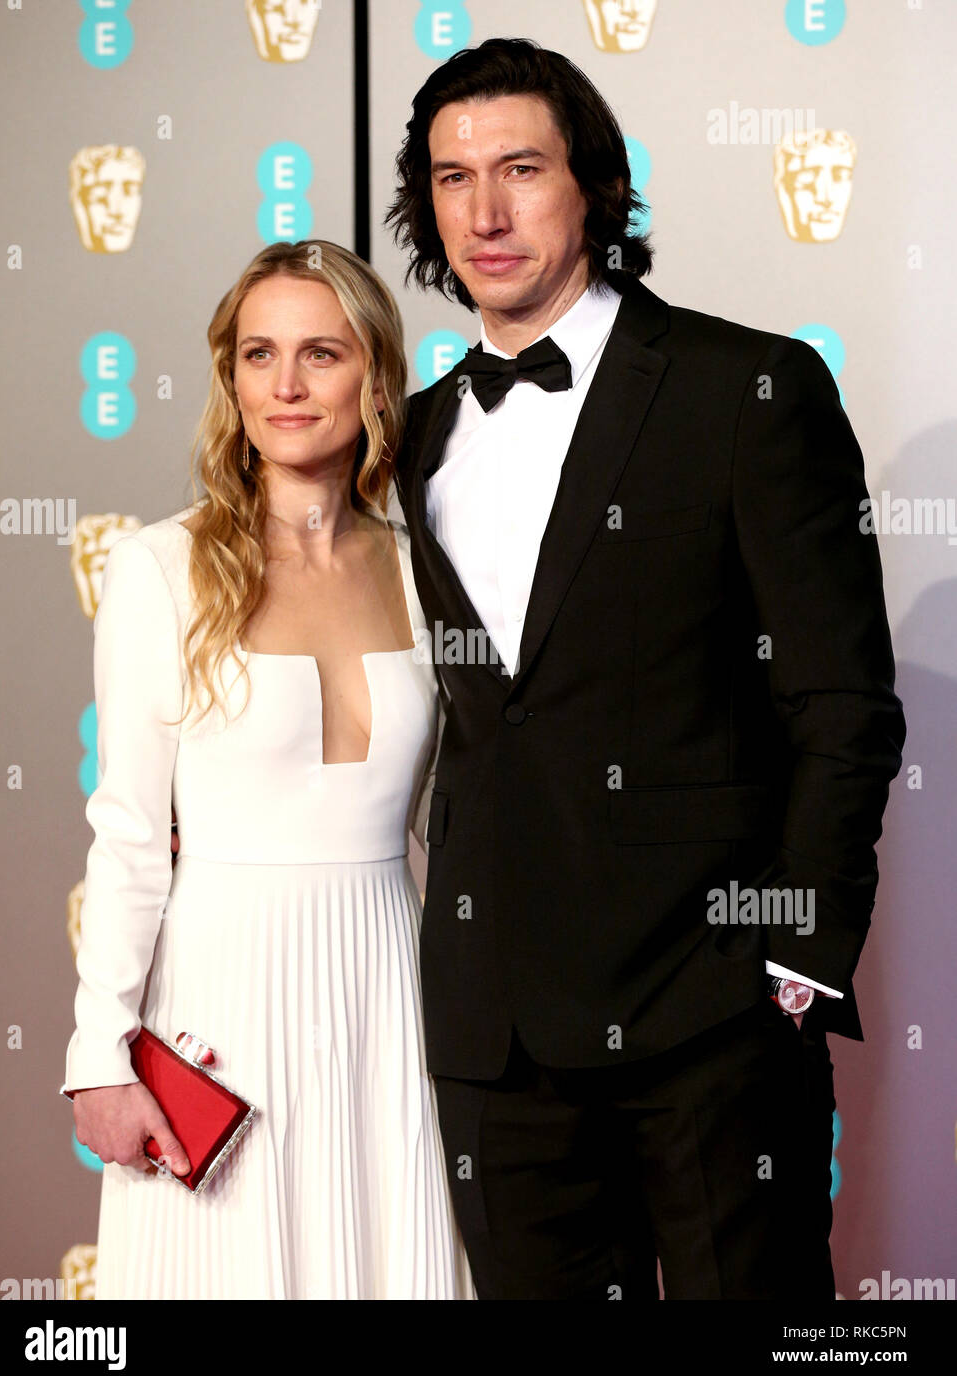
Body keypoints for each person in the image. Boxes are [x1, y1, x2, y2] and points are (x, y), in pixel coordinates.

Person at [386, 37, 906, 1299]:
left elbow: (840, 701)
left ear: (595, 188)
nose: (487, 211)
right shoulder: (419, 433)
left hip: (708, 1013)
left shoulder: (748, 389)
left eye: (521, 168)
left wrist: (792, 958)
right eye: (453, 179)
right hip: (495, 1034)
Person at [60, 239, 474, 1300]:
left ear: (374, 377)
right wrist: (101, 1052)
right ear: (230, 377)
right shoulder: (161, 566)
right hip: (220, 1004)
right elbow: (128, 837)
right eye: (258, 354)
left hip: (391, 993)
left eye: (320, 353)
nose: (285, 385)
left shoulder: (429, 570)